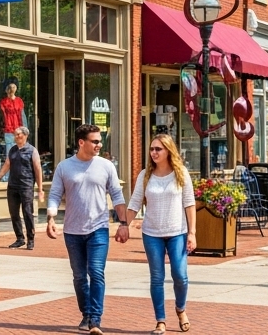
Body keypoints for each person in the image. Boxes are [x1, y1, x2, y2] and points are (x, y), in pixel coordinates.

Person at [47, 123, 129, 335]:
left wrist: (123, 223)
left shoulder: (106, 166)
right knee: (79, 276)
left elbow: (117, 196)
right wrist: (51, 217)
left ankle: (95, 320)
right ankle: (86, 313)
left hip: (98, 229)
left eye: (100, 141)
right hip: (72, 231)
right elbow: (55, 194)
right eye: (95, 141)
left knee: (96, 272)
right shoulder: (64, 167)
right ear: (81, 142)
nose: (99, 145)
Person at [129, 133, 196, 334]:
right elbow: (134, 203)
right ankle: (160, 320)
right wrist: (124, 224)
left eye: (158, 149)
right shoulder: (145, 175)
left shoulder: (181, 173)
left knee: (180, 276)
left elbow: (189, 203)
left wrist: (192, 232)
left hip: (177, 232)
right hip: (152, 233)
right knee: (157, 277)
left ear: (168, 151)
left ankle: (180, 309)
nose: (154, 153)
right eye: (152, 149)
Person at [0, 125, 44, 249]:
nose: (16, 137)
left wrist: (40, 188)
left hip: (26, 186)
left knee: (27, 213)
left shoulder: (32, 150)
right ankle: (19, 238)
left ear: (25, 135)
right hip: (12, 186)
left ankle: (31, 240)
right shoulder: (12, 150)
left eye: (18, 134)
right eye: (15, 134)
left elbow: (38, 169)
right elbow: (7, 165)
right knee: (14, 213)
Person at [0, 83, 25, 148]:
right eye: (11, 88)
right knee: (11, 148)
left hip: (16, 128)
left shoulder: (18, 101)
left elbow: (22, 116)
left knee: (16, 148)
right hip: (9, 128)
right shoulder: (4, 102)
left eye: (13, 88)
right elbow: (3, 116)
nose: (12, 90)